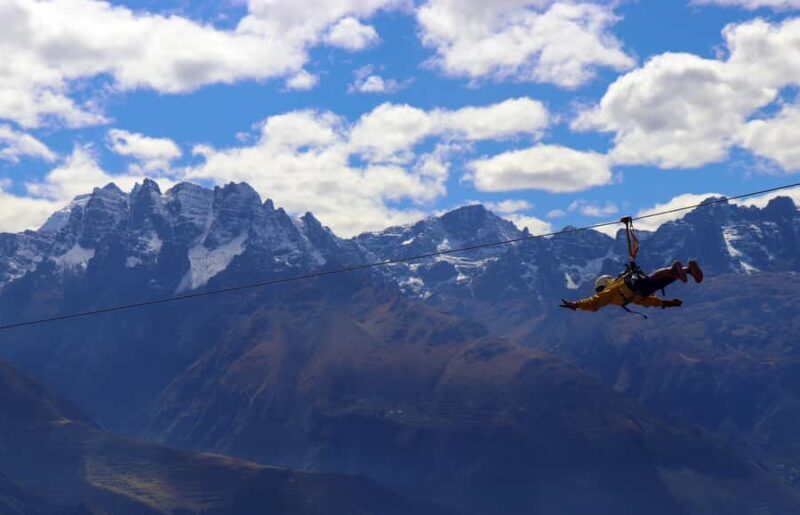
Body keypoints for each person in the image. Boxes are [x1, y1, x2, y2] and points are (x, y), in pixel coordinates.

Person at [560, 260, 703, 312]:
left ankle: (675, 270)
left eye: (599, 290)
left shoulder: (610, 290)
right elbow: (645, 302)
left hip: (637, 288)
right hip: (641, 291)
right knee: (658, 279)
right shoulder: (620, 298)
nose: (599, 292)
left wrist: (576, 304)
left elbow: (594, 302)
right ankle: (688, 269)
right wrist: (667, 303)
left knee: (654, 279)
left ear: (602, 286)